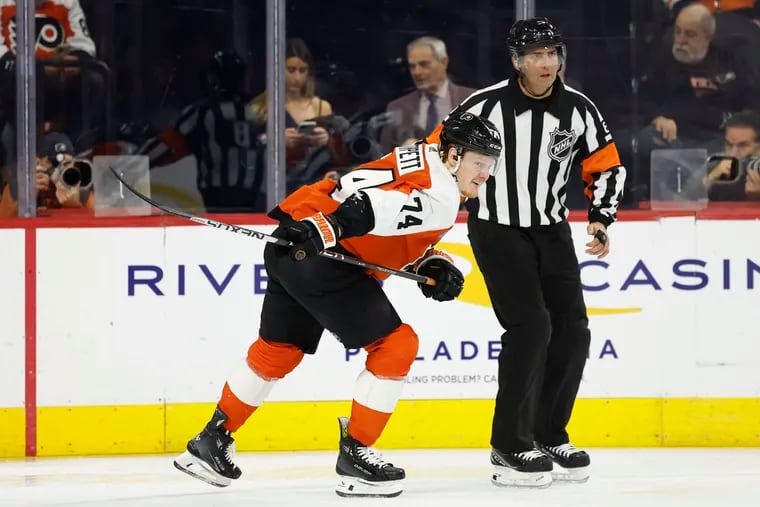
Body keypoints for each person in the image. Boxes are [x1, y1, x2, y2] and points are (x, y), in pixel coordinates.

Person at [173, 112, 503, 498]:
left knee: (278, 350)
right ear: (452, 156)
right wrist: (324, 231)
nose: (486, 173)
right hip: (321, 257)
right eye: (479, 162)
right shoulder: (442, 196)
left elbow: (391, 220)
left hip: (291, 240)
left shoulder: (426, 152)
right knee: (396, 345)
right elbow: (369, 209)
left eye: (491, 163)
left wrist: (427, 260)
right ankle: (357, 456)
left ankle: (211, 440)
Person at [427, 18, 626, 488]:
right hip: (497, 228)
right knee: (530, 325)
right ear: (516, 62)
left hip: (551, 229)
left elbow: (606, 165)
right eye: (535, 55)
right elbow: (437, 154)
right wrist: (438, 212)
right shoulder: (483, 106)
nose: (546, 63)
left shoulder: (578, 109)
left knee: (573, 329)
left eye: (552, 53)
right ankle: (509, 444)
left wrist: (601, 217)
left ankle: (548, 432)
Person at [138, 49, 265, 212]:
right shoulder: (256, 112)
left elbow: (163, 147)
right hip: (255, 202)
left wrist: (132, 163)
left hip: (217, 200)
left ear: (213, 78)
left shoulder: (202, 112)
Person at [249, 38, 345, 194]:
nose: (298, 78)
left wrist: (327, 140)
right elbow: (248, 153)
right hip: (274, 187)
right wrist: (274, 141)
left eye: (303, 70)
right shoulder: (260, 109)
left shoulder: (321, 107)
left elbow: (339, 157)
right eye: (291, 70)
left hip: (314, 186)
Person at [379, 36, 474, 154]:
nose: (417, 72)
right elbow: (382, 159)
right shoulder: (397, 107)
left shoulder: (471, 99)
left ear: (444, 62)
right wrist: (399, 154)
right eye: (412, 66)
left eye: (424, 64)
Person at [703, 110, 760, 200]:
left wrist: (756, 198)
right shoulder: (717, 167)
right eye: (729, 145)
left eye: (743, 145)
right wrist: (704, 188)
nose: (733, 153)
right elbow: (684, 200)